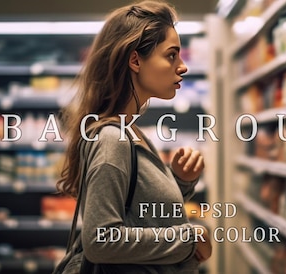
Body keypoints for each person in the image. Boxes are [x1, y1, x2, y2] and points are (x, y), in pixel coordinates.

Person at [55, 0, 212, 273]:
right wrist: (188, 239)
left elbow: (139, 213)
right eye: (171, 55)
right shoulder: (112, 139)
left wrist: (179, 182)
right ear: (136, 60)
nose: (182, 66)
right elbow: (100, 240)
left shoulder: (131, 131)